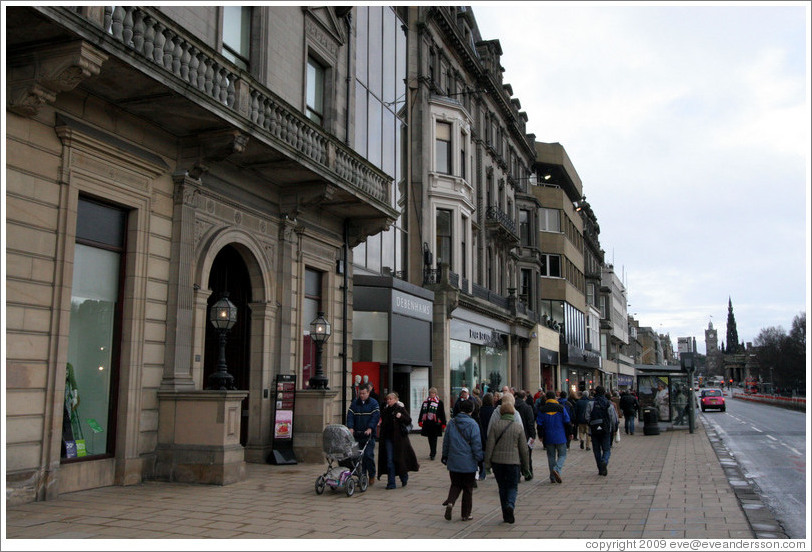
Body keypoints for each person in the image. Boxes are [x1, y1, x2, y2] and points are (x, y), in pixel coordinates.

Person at [484, 393, 530, 524]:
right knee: (512, 487)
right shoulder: (518, 427)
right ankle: (510, 505)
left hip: (498, 463)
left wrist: (487, 466)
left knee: (502, 487)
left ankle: (505, 512)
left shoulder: (495, 425)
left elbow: (489, 446)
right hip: (513, 463)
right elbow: (524, 450)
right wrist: (526, 468)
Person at [441, 399, 482, 521]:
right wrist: (479, 458)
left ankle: (451, 502)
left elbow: (446, 442)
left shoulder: (452, 423)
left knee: (455, 484)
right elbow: (476, 444)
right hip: (468, 462)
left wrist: (445, 456)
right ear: (472, 410)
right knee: (468, 489)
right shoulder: (473, 424)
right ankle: (466, 514)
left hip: (454, 460)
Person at [377, 392, 419, 489]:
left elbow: (408, 420)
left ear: (395, 400)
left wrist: (401, 417)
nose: (389, 401)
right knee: (389, 460)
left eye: (391, 399)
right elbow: (382, 423)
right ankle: (391, 483)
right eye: (387, 399)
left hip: (399, 439)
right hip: (388, 438)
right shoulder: (385, 410)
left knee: (399, 459)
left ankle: (403, 476)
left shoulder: (400, 409)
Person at [346, 383, 380, 485]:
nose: (361, 395)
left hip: (368, 435)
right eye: (360, 393)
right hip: (357, 434)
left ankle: (372, 474)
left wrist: (370, 428)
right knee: (356, 456)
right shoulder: (355, 403)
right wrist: (351, 427)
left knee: (368, 456)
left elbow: (375, 416)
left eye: (364, 393)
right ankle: (361, 474)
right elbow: (350, 415)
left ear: (368, 393)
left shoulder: (373, 403)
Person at [536, 390, 571, 484]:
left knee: (551, 456)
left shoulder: (542, 409)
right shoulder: (561, 408)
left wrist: (540, 435)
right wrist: (570, 433)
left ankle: (552, 476)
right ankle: (557, 469)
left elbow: (539, 424)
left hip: (548, 436)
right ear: (555, 397)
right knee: (562, 454)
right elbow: (567, 421)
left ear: (546, 398)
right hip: (560, 435)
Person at [585, 385, 619, 476]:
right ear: (604, 393)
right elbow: (613, 418)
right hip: (606, 429)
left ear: (595, 392)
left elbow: (587, 417)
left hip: (594, 429)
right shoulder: (608, 404)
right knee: (606, 449)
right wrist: (614, 428)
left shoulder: (591, 403)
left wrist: (591, 424)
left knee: (596, 450)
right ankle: (604, 460)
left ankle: (600, 468)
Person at [418, 387, 447, 460]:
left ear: (436, 394)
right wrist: (420, 420)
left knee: (434, 438)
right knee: (429, 438)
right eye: (430, 393)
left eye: (433, 393)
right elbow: (422, 411)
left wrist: (444, 423)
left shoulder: (439, 402)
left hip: (436, 423)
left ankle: (433, 453)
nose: (431, 394)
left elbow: (442, 413)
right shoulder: (426, 402)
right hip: (428, 423)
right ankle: (432, 450)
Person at [514, 390, 536, 480]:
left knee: (516, 455)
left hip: (514, 434)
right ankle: (528, 473)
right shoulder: (527, 408)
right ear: (525, 397)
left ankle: (517, 474)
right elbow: (530, 423)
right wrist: (533, 435)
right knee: (527, 455)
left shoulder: (512, 407)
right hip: (526, 434)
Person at [476, 393, 496, 480]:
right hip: (491, 433)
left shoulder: (480, 410)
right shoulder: (494, 411)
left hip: (482, 433)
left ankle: (482, 473)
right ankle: (494, 470)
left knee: (483, 453)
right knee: (493, 453)